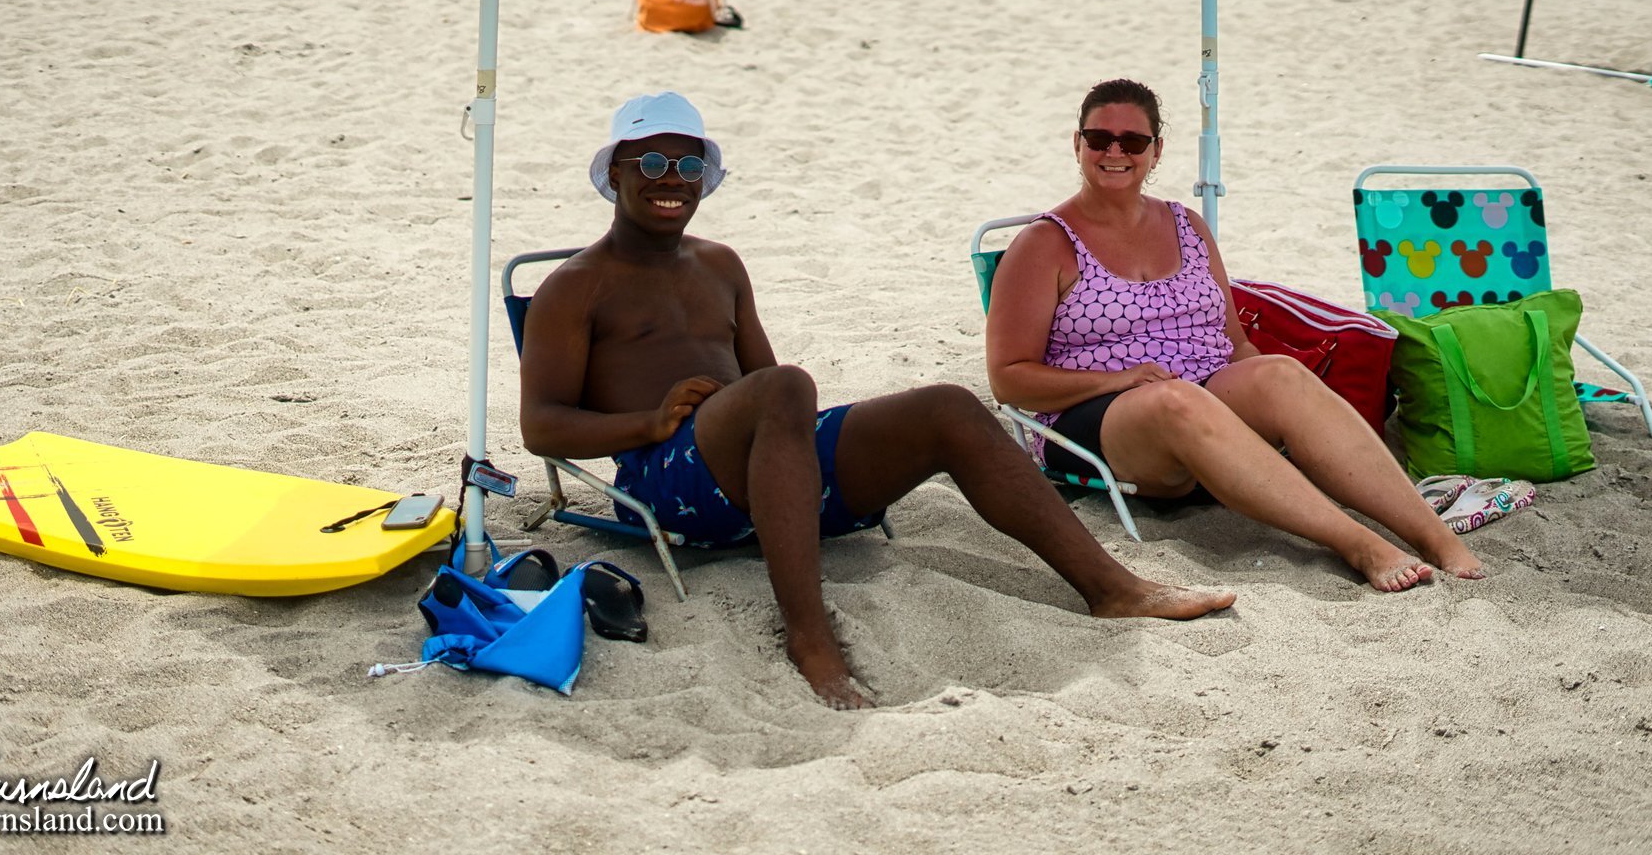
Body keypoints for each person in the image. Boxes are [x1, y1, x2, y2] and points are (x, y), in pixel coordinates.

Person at [518, 91, 1234, 709]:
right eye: (648, 162)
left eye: (688, 164)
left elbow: (774, 396)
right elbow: (540, 426)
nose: (670, 179)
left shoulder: (720, 264)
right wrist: (648, 420)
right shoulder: (577, 286)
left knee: (948, 407)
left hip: (765, 476)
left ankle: (1111, 587)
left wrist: (777, 421)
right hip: (667, 486)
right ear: (613, 174)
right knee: (788, 386)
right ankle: (810, 638)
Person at [984, 79, 1486, 594]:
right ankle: (1357, 542)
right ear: (1077, 144)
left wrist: (1264, 390)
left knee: (1281, 374)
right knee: (1176, 400)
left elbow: (1234, 342)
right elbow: (1009, 381)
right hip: (1097, 419)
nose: (1115, 152)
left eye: (1133, 141)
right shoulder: (1044, 245)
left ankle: (1434, 537)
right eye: (1099, 139)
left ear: (1156, 151)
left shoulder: (1187, 226)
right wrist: (1119, 378)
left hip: (1203, 395)